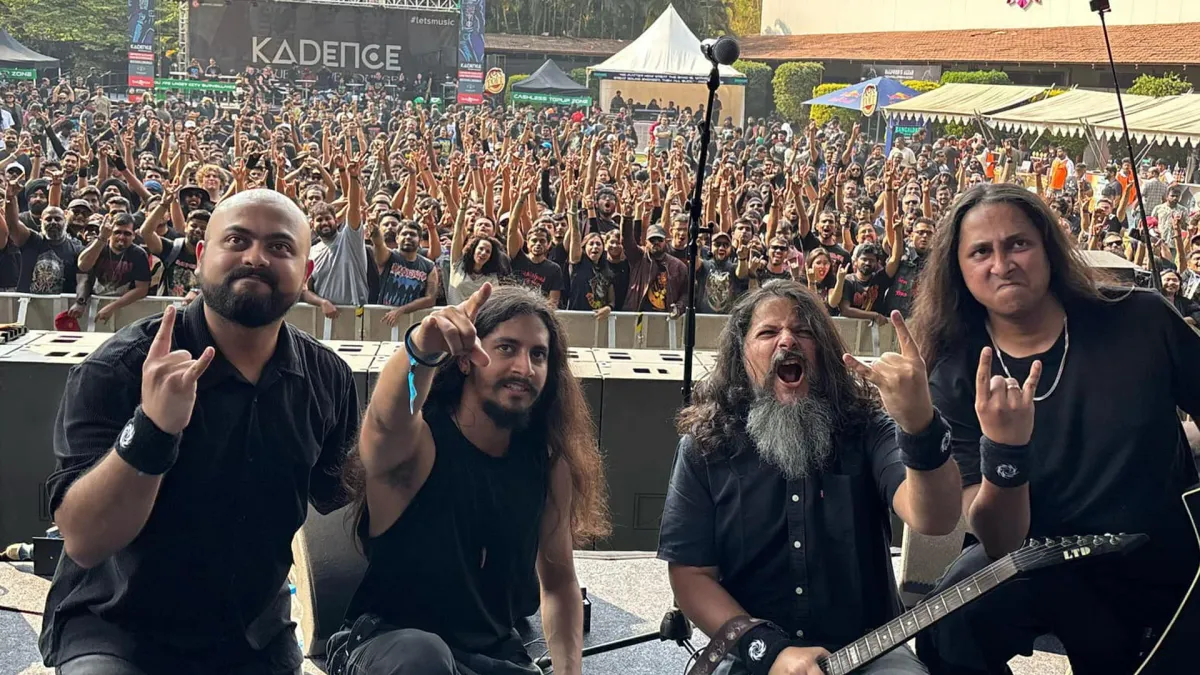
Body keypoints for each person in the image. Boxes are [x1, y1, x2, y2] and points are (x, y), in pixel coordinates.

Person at [39, 189, 360, 675]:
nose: (256, 257)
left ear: (306, 272)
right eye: (238, 240)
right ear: (202, 256)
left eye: (279, 246)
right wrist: (152, 429)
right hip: (118, 628)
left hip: (254, 635)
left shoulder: (326, 377)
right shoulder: (119, 368)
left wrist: (418, 380)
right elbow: (83, 539)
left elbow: (345, 494)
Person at [911, 184, 1200, 675]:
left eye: (1018, 244)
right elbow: (1000, 539)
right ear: (958, 270)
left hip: (1154, 558)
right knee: (946, 628)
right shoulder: (954, 373)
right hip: (1036, 558)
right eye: (981, 252)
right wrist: (1005, 449)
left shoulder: (1142, 317)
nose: (1002, 264)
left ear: (1048, 247)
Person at [659, 280, 963, 675]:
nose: (787, 340)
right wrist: (770, 652)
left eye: (803, 331)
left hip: (870, 649)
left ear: (823, 352)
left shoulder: (867, 427)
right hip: (750, 653)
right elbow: (690, 576)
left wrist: (920, 425)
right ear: (741, 355)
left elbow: (935, 518)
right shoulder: (705, 447)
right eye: (768, 332)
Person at [332, 284, 609, 675]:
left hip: (492, 657)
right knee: (424, 658)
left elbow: (560, 583)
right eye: (507, 348)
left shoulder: (546, 463)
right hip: (386, 648)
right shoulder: (417, 444)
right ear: (465, 360)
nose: (524, 368)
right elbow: (384, 418)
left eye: (538, 354)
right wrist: (421, 349)